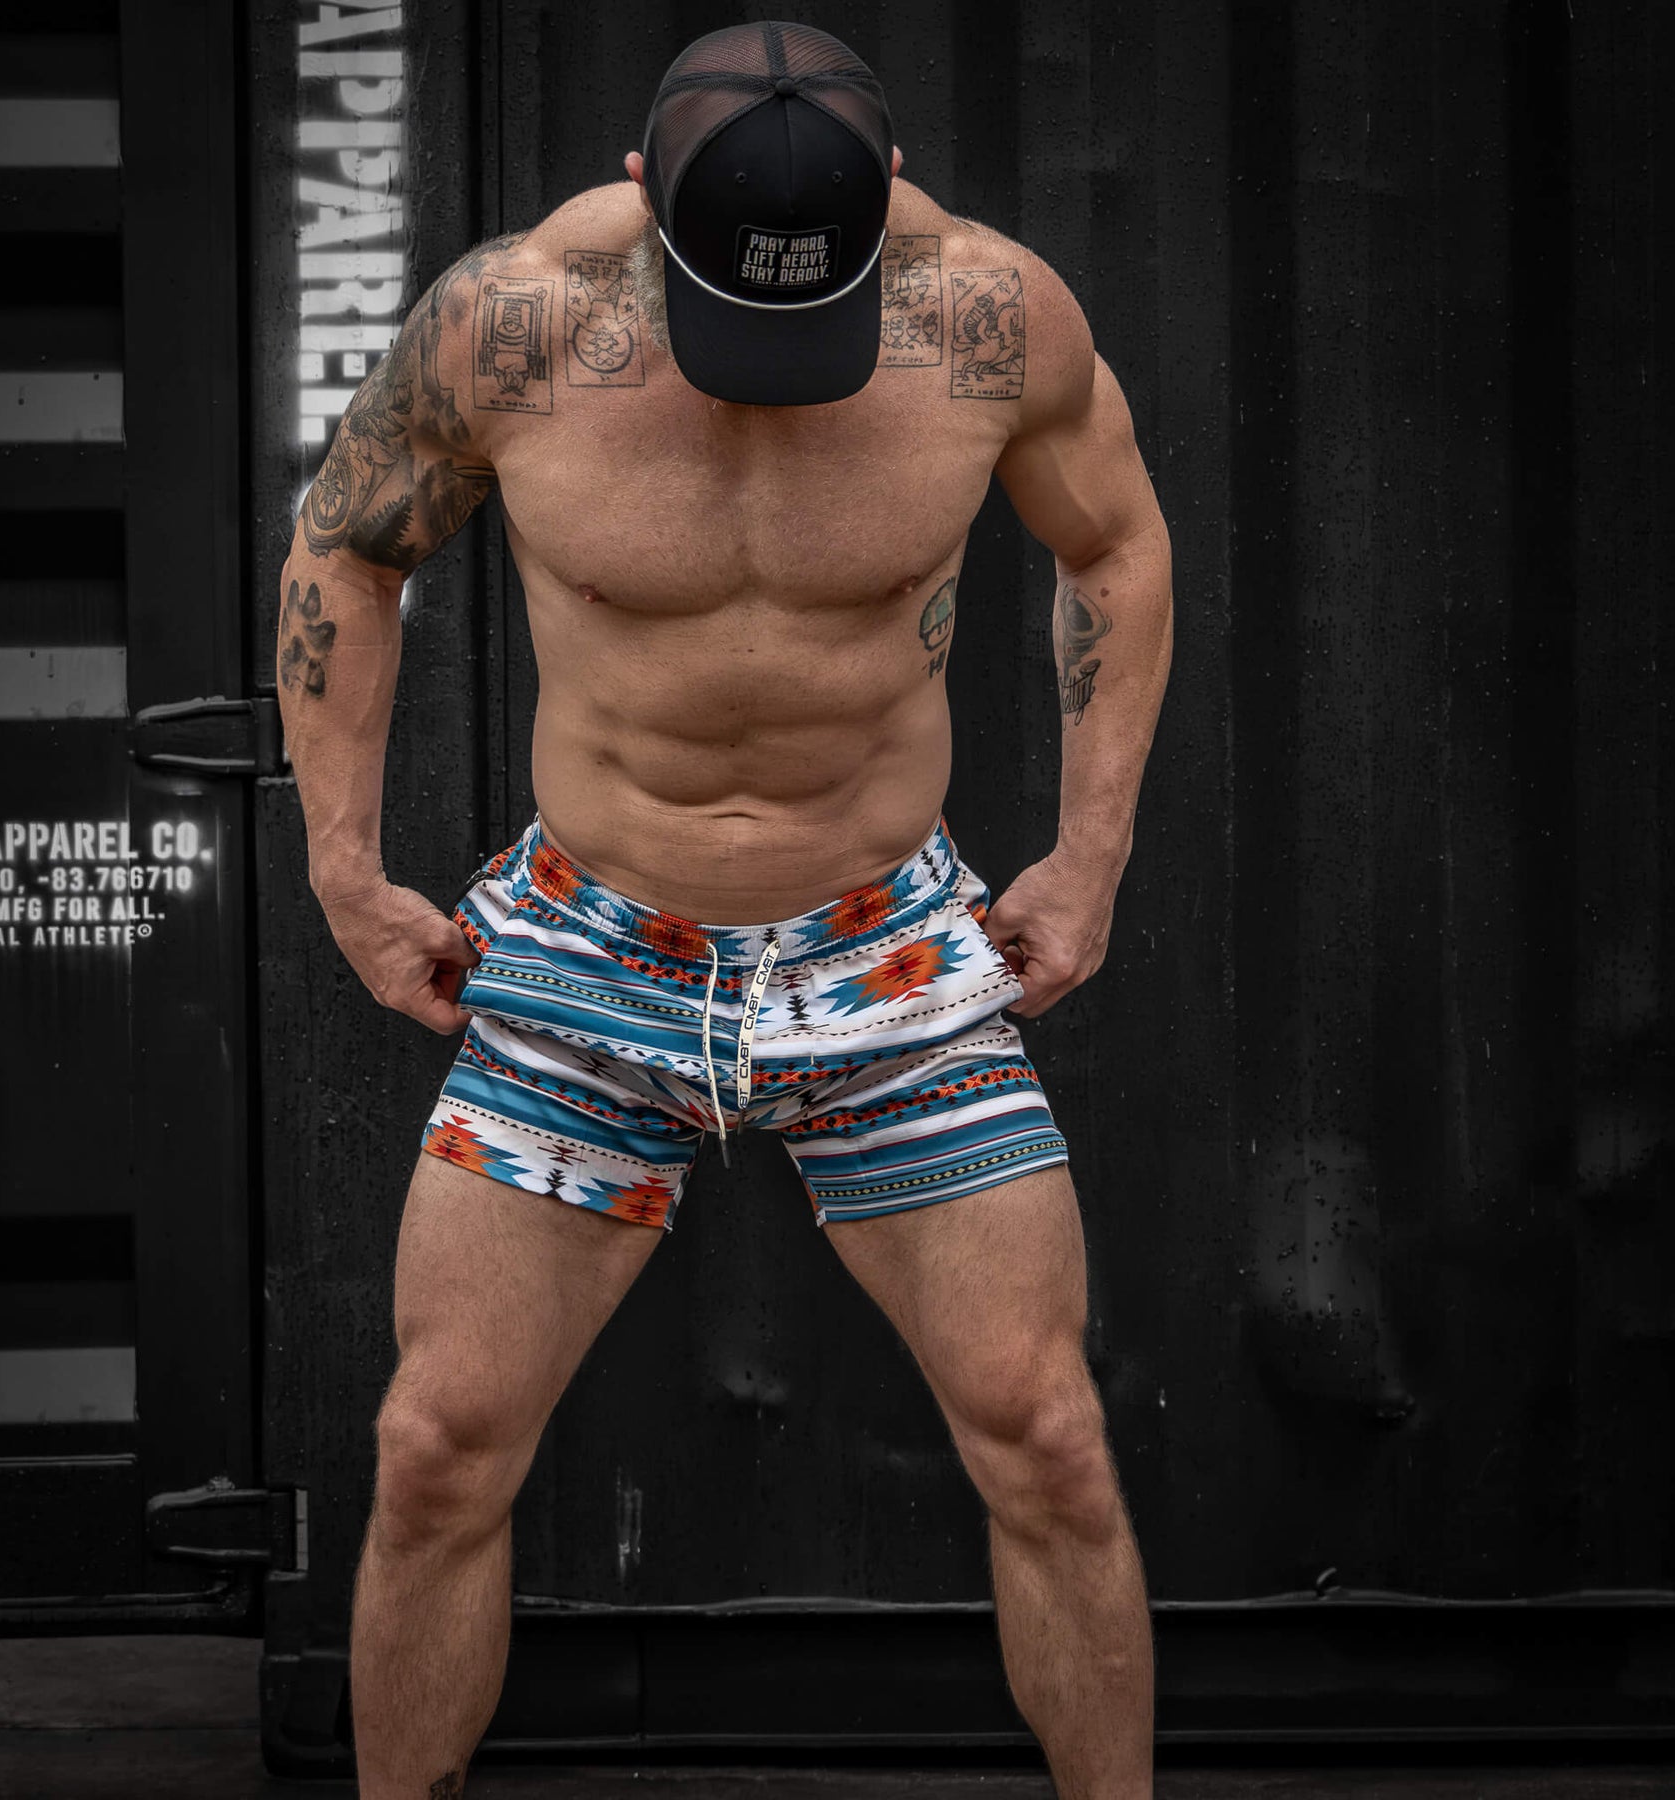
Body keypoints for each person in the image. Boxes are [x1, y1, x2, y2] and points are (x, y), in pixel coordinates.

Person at [276, 21, 1171, 1800]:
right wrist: (343, 871)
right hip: (592, 950)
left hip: (884, 954)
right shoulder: (515, 325)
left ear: (889, 197)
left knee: (1051, 1442)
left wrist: (1090, 859)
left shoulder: (990, 321)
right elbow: (346, 548)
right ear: (641, 188)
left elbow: (1117, 548)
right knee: (438, 1449)